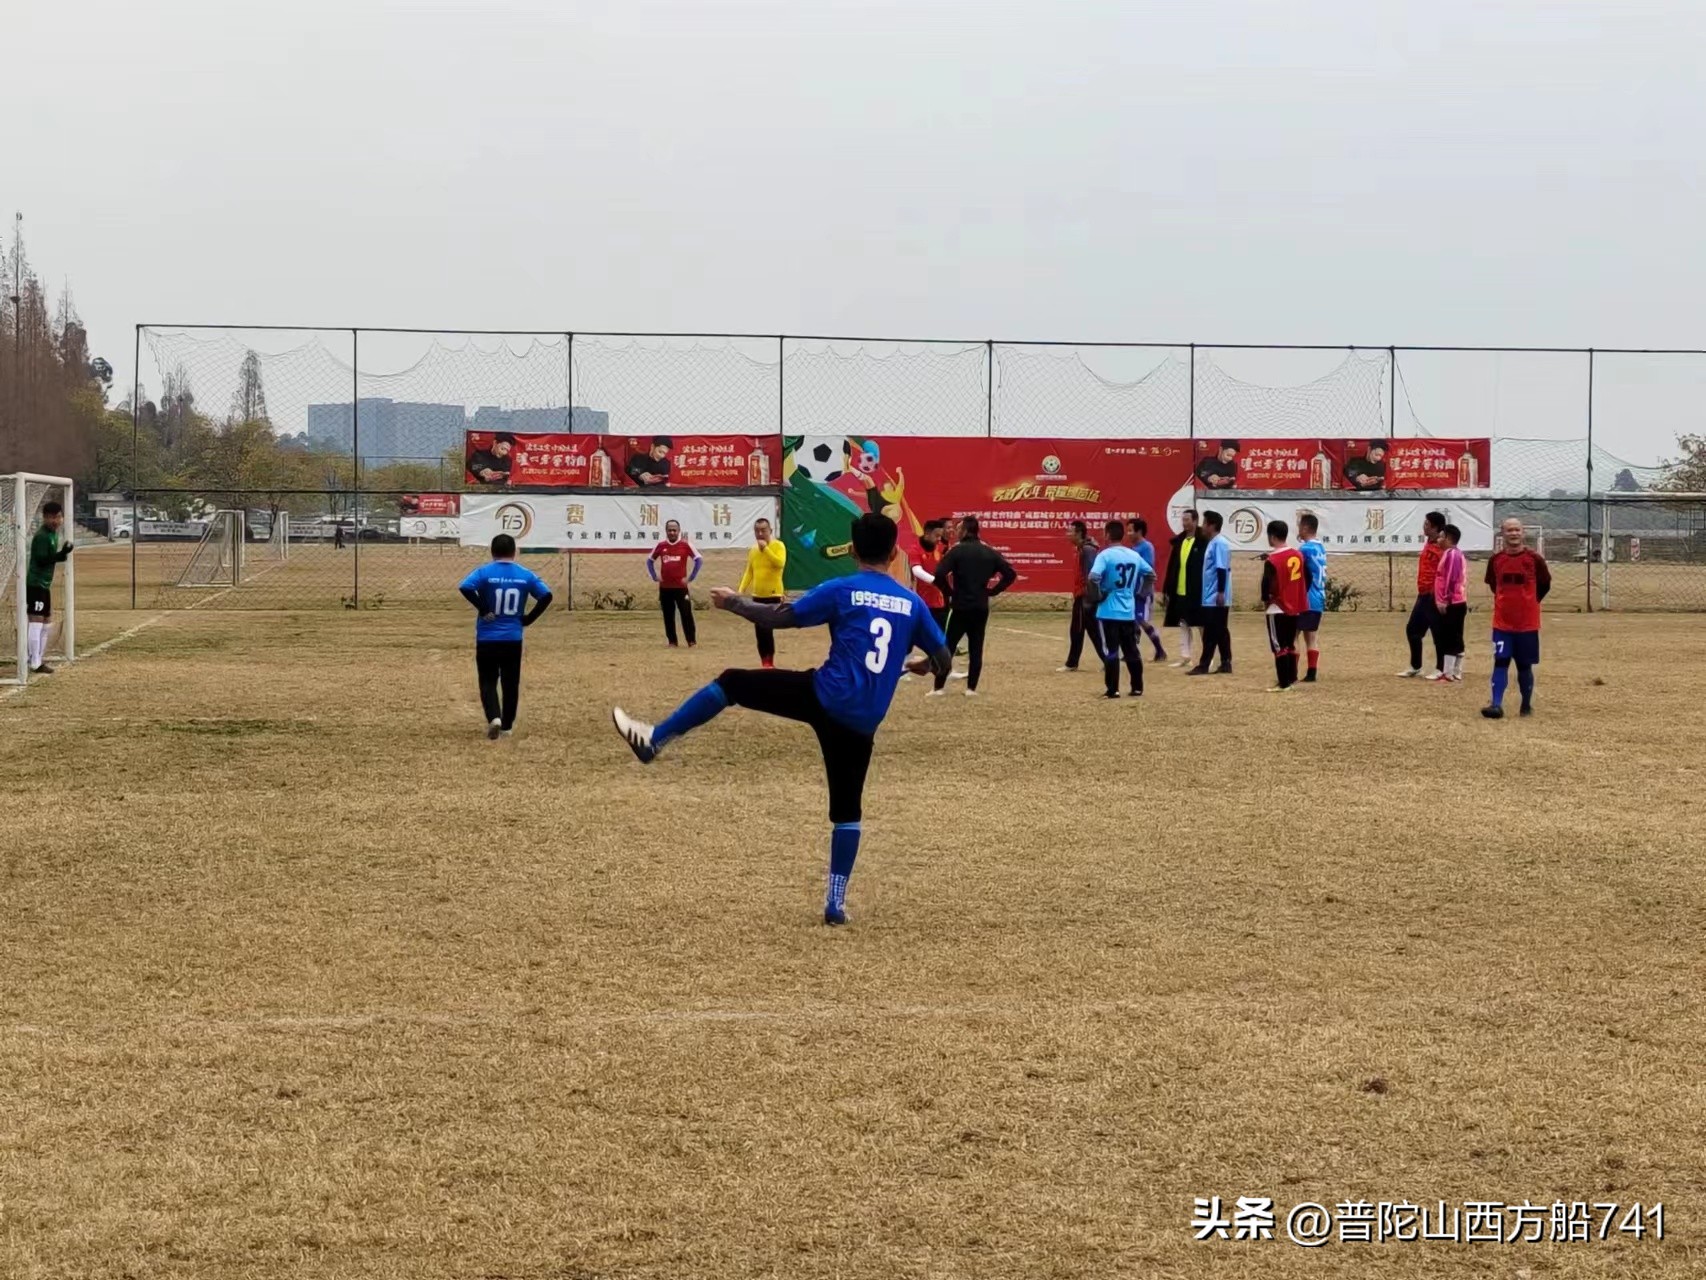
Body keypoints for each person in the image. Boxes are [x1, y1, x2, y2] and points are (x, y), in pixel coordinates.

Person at [612, 513, 951, 925]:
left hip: (824, 697)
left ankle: (654, 740)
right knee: (847, 811)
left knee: (732, 683)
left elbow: (781, 617)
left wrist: (734, 602)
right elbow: (944, 659)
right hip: (862, 721)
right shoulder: (912, 604)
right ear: (895, 552)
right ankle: (836, 902)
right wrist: (923, 666)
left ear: (855, 550)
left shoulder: (842, 588)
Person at [458, 534, 553, 739]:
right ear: (514, 552)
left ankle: (494, 717)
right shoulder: (525, 574)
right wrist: (528, 619)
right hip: (513, 637)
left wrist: (483, 609)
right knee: (510, 682)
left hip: (487, 637)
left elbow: (465, 586)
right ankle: (507, 726)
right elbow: (547, 595)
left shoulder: (484, 572)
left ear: (492, 552)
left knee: (488, 680)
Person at [930, 515, 1017, 697]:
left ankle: (938, 687)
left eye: (959, 529)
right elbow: (1010, 574)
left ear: (966, 531)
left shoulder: (956, 551)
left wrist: (949, 592)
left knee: (948, 646)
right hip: (980, 606)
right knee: (976, 647)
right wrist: (993, 591)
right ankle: (971, 688)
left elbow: (939, 574)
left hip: (960, 605)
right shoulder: (989, 552)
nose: (956, 532)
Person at [1482, 518, 1550, 719]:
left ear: (1523, 533)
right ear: (1502, 533)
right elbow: (1493, 584)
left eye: (1517, 530)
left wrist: (1530, 602)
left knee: (1524, 665)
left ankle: (1526, 705)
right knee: (1500, 661)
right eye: (1509, 530)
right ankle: (1496, 705)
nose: (1513, 533)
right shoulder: (1496, 560)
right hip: (1502, 624)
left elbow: (1545, 584)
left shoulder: (1534, 559)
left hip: (1527, 624)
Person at [1086, 520, 1146, 699]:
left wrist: (1097, 596)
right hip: (1127, 611)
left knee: (1111, 651)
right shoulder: (1133, 555)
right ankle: (1137, 687)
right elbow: (1150, 574)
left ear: (1107, 535)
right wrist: (1139, 593)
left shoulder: (1105, 555)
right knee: (1131, 650)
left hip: (1108, 611)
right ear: (1122, 535)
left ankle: (1113, 689)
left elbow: (1093, 576)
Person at [25, 500, 74, 675]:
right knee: (36, 621)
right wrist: (62, 554)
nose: (56, 520)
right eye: (51, 517)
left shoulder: (53, 534)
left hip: (43, 585)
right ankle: (34, 662)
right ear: (45, 518)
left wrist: (61, 554)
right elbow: (41, 559)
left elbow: (50, 557)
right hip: (35, 584)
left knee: (46, 623)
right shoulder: (42, 536)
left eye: (58, 517)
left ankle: (36, 657)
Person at [1259, 521, 1308, 692]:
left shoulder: (1272, 560)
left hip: (1277, 606)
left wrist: (1265, 599)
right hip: (1294, 606)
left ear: (1272, 537)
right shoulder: (1298, 555)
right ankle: (1292, 678)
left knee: (1278, 645)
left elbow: (1266, 584)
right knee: (1290, 643)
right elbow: (1306, 577)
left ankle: (1283, 683)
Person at [1399, 511, 1446, 677]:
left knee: (1438, 632)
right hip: (1423, 593)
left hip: (1435, 595)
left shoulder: (1442, 547)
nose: (1424, 527)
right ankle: (1415, 665)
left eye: (1427, 524)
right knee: (1412, 629)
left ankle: (1441, 668)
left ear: (1435, 527)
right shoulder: (1428, 543)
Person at [737, 517, 788, 668]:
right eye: (757, 531)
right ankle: (764, 662)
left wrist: (765, 549)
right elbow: (749, 572)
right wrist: (740, 590)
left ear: (770, 531)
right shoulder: (753, 550)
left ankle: (769, 662)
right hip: (757, 596)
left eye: (763, 530)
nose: (760, 534)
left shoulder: (778, 545)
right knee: (760, 631)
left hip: (773, 595)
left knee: (767, 629)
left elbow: (780, 563)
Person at [1188, 510, 1233, 676]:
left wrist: (1220, 591)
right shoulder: (1213, 543)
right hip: (1211, 594)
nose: (1202, 527)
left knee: (1210, 631)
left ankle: (1204, 664)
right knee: (1220, 629)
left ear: (1212, 525)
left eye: (1205, 523)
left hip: (1215, 596)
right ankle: (1226, 662)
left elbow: (1221, 568)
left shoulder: (1219, 543)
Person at [648, 519, 702, 647]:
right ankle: (672, 641)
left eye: (674, 530)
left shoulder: (686, 545)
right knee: (668, 615)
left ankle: (691, 641)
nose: (672, 532)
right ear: (666, 531)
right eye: (669, 530)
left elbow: (699, 560)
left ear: (678, 531)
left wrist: (691, 577)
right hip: (665, 588)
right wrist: (655, 576)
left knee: (686, 614)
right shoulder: (661, 546)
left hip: (681, 588)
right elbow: (649, 560)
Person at [1058, 520, 1103, 673]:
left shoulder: (1087, 550)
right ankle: (1107, 659)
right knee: (1088, 630)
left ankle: (1072, 663)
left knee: (1079, 629)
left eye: (1070, 531)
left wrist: (1088, 598)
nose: (1067, 534)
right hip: (1082, 595)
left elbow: (1091, 574)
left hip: (1085, 597)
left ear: (1078, 533)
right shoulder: (1081, 549)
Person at [1163, 509, 1204, 668]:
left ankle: (1206, 656)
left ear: (1195, 521)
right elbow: (1172, 567)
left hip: (1196, 590)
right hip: (1180, 590)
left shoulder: (1203, 542)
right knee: (1183, 624)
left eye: (1187, 520)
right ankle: (1185, 656)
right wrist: (1168, 588)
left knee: (1201, 624)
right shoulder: (1179, 542)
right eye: (1183, 520)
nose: (1184, 523)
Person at [1430, 523, 1468, 683]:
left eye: (1441, 536)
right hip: (1455, 602)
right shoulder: (1452, 554)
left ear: (1447, 538)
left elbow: (1451, 578)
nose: (1438, 539)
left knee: (1450, 637)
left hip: (1453, 603)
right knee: (1455, 637)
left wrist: (1444, 600)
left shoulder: (1452, 554)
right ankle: (1456, 671)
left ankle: (1448, 672)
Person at [1128, 518, 1167, 661]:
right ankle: (1132, 652)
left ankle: (1160, 650)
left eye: (1131, 530)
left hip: (1142, 592)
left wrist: (1143, 591)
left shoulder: (1146, 547)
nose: (1128, 534)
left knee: (1141, 621)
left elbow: (1148, 570)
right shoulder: (1133, 549)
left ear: (1139, 531)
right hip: (1132, 592)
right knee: (1131, 621)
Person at [1297, 512, 1328, 683]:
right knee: (1311, 637)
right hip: (1319, 597)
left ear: (1306, 528)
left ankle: (1291, 671)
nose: (1298, 530)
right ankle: (1311, 672)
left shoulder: (1305, 549)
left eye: (1300, 527)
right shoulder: (1320, 547)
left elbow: (1294, 567)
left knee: (1293, 635)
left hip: (1306, 597)